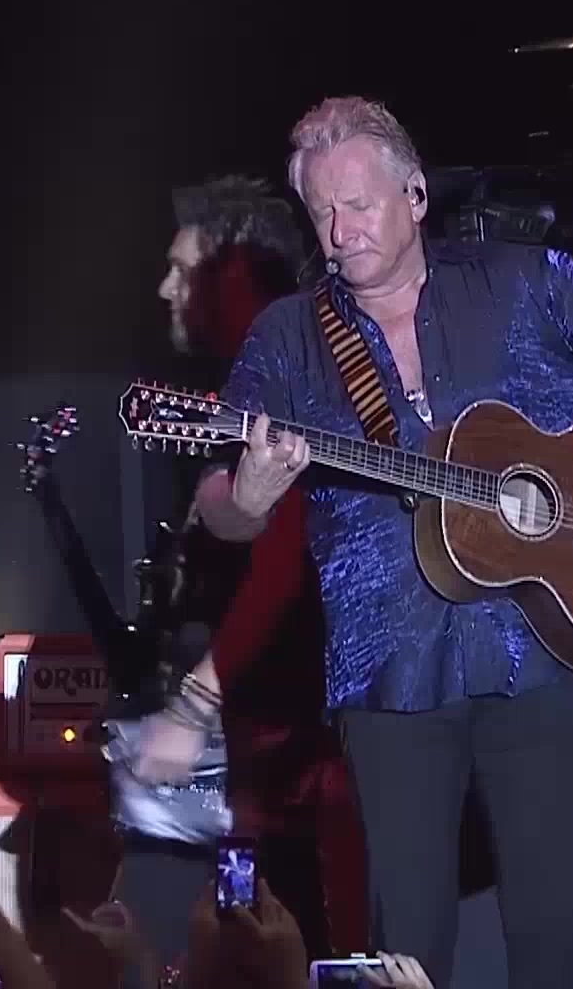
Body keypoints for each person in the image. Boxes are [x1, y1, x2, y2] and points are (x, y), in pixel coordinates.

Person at [140, 97, 573, 988]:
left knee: (550, 928)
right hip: (390, 670)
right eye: (322, 214)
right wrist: (248, 496)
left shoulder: (523, 280)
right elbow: (224, 503)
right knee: (406, 941)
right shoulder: (289, 335)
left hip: (538, 648)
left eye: (359, 205)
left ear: (414, 195)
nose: (341, 232)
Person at [118, 175, 364, 972]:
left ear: (230, 272)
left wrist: (194, 705)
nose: (165, 288)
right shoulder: (255, 386)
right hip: (276, 754)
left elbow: (283, 562)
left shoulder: (289, 374)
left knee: (309, 948)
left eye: (180, 267)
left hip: (311, 757)